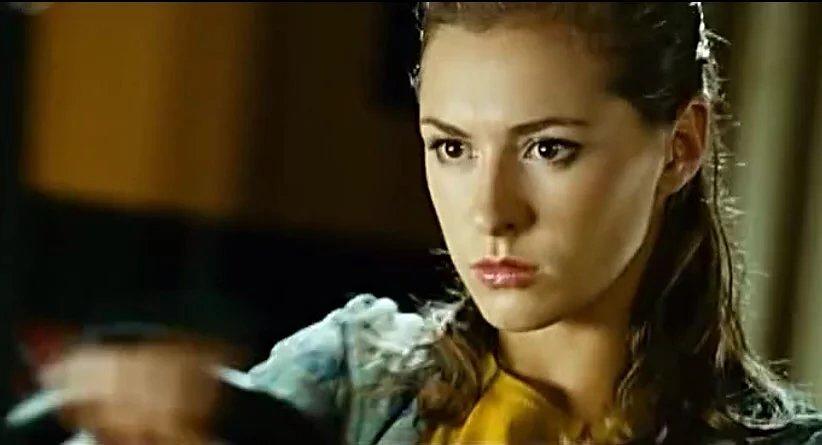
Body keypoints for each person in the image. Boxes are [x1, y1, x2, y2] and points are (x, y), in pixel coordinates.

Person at [7, 2, 822, 444]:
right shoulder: (356, 380)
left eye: (548, 147)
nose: (491, 210)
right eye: (452, 147)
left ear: (680, 146)